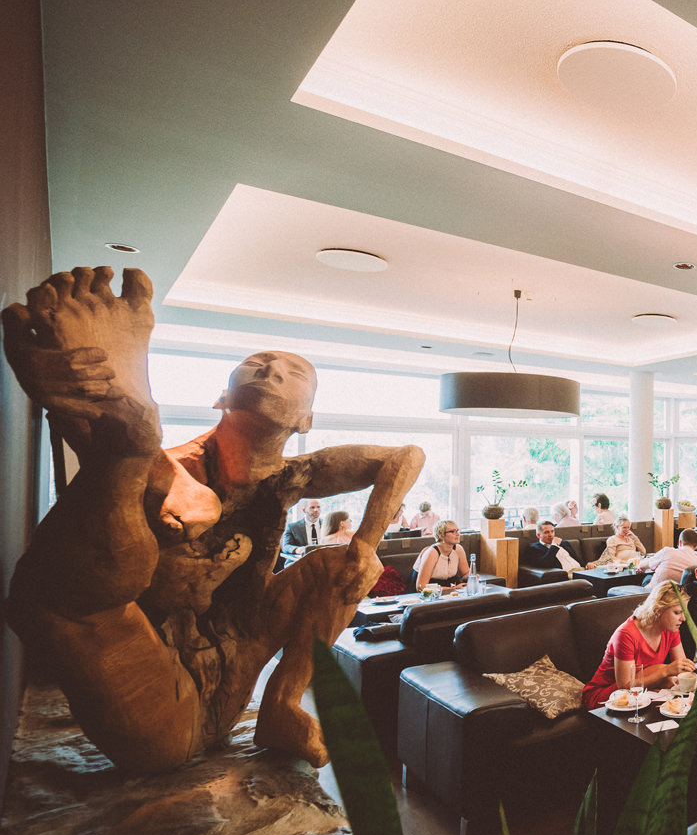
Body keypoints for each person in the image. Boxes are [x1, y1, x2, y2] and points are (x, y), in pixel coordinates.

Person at [1, 266, 423, 770]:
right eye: (255, 363)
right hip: (154, 670)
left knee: (343, 565)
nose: (270, 370)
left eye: (293, 373)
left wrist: (367, 544)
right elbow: (92, 443)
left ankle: (283, 706)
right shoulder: (168, 467)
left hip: (236, 656)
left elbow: (406, 456)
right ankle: (130, 424)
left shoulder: (293, 476)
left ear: (304, 419)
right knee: (162, 750)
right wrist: (114, 435)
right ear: (221, 398)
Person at [581, 583, 695, 709]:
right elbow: (624, 686)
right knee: (663, 672)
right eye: (677, 612)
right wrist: (666, 671)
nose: (683, 619)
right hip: (607, 696)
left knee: (670, 683)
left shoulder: (670, 629)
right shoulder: (625, 635)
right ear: (658, 609)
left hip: (641, 692)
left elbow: (682, 670)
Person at [412, 520, 472, 590]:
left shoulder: (459, 549)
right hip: (427, 592)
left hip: (450, 588)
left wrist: (471, 576)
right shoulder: (432, 552)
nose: (458, 534)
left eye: (457, 531)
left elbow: (465, 573)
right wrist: (453, 589)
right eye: (452, 531)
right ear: (441, 536)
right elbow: (421, 587)